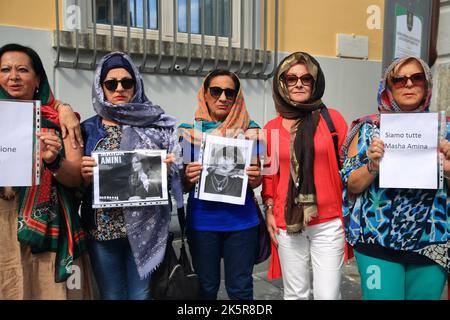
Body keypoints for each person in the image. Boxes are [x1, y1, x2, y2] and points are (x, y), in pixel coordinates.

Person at [340, 56, 450, 300]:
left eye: (417, 77)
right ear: (388, 87)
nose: (408, 84)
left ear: (427, 84)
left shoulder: (445, 130)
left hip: (432, 242)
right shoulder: (367, 128)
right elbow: (352, 184)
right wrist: (373, 165)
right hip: (376, 241)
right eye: (399, 79)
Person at [80, 52, 183, 300]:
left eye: (127, 82)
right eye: (111, 83)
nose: (119, 88)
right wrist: (83, 175)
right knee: (112, 295)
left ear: (136, 84)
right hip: (104, 230)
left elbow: (177, 177)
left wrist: (169, 168)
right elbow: (76, 186)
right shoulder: (87, 129)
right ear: (100, 87)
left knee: (141, 295)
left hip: (147, 229)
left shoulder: (157, 125)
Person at [0, 43, 89, 300]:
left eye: (23, 70)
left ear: (38, 77)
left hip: (51, 224)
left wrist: (54, 161)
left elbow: (74, 178)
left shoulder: (62, 120)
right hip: (4, 225)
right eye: (5, 69)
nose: (13, 76)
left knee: (48, 290)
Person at [261, 52, 350, 300]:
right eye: (291, 78)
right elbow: (270, 176)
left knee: (328, 295)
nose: (299, 83)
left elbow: (349, 165)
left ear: (315, 83)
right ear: (282, 84)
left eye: (306, 78)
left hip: (328, 222)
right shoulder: (271, 128)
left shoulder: (332, 119)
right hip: (288, 221)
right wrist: (268, 208)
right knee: (295, 295)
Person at [179, 69, 262, 300]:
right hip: (203, 223)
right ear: (204, 95)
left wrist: (256, 178)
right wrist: (187, 177)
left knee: (241, 289)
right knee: (205, 289)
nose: (223, 98)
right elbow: (183, 185)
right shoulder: (188, 134)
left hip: (242, 223)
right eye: (216, 91)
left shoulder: (252, 131)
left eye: (229, 92)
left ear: (237, 97)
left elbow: (257, 179)